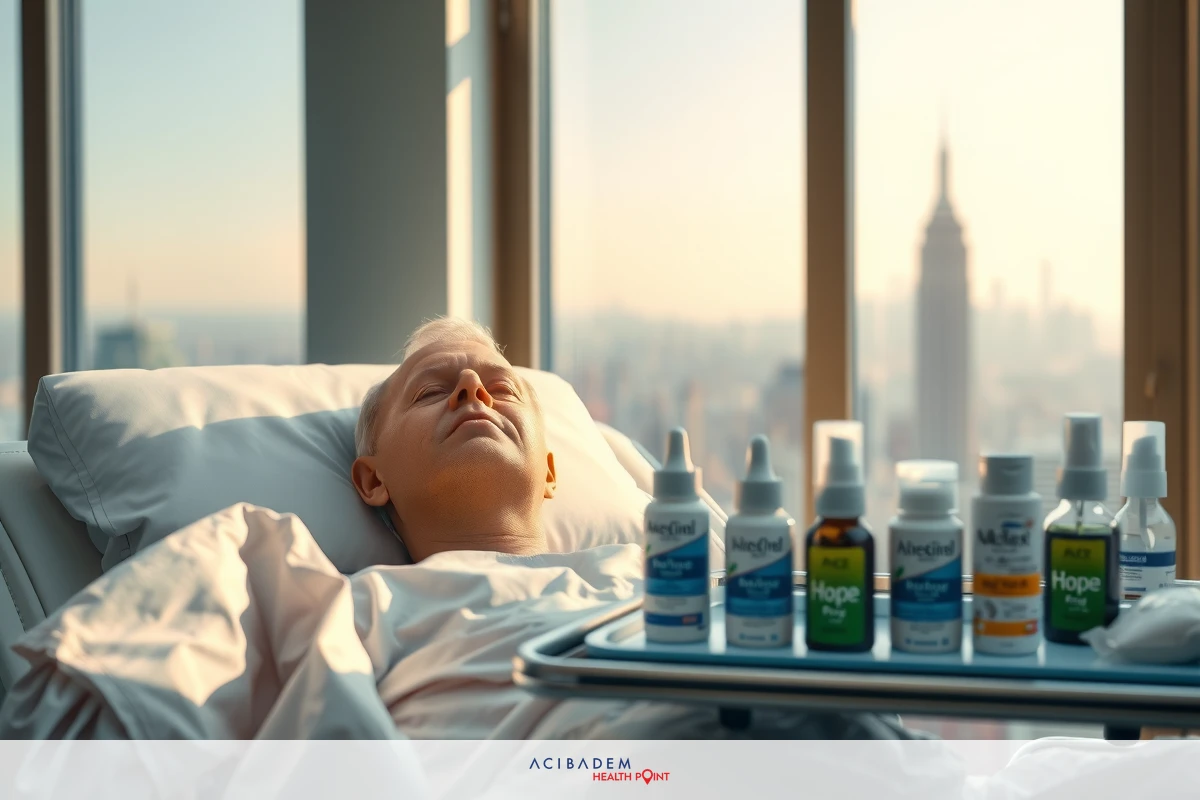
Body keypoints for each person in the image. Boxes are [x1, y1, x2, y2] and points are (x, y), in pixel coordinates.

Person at [350, 318, 556, 562]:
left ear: (549, 472)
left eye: (503, 388)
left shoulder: (613, 570)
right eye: (431, 392)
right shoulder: (345, 598)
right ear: (373, 480)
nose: (472, 385)